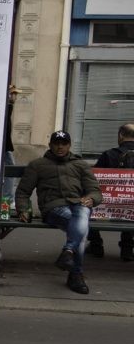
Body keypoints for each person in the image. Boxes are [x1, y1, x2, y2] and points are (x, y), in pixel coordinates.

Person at [15, 130, 101, 295]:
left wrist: (92, 198)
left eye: (64, 144)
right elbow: (23, 192)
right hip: (53, 207)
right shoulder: (38, 165)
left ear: (69, 145)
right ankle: (76, 274)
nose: (60, 147)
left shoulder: (80, 164)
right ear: (50, 145)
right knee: (82, 230)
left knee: (82, 215)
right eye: (56, 144)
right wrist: (23, 209)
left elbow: (95, 191)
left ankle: (68, 252)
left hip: (78, 204)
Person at [87, 123, 134, 261]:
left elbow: (93, 179)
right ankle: (127, 248)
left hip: (107, 204)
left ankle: (96, 245)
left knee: (88, 206)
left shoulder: (109, 154)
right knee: (129, 206)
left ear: (120, 136)